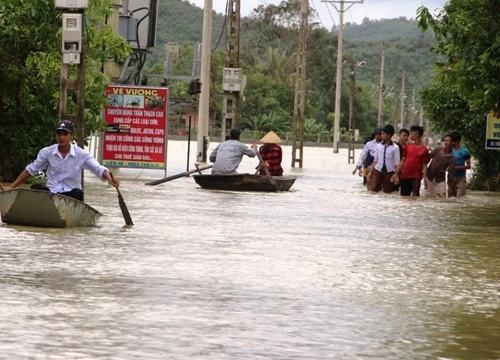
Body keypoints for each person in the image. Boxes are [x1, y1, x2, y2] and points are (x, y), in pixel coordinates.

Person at [2, 120, 118, 201]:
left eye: (65, 134)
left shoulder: (81, 154)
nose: (62, 137)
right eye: (59, 134)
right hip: (51, 193)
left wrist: (110, 179)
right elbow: (31, 170)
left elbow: (99, 169)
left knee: (78, 193)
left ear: (71, 135)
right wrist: (12, 187)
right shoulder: (47, 152)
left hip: (70, 194)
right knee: (35, 187)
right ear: (56, 135)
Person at [393, 125, 430, 197]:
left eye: (412, 134)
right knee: (404, 197)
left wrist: (425, 178)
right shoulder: (408, 147)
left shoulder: (424, 150)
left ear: (417, 135)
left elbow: (425, 165)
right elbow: (403, 161)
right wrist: (396, 173)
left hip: (416, 176)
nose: (410, 136)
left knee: (415, 195)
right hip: (404, 174)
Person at [368, 124, 400, 193]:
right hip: (378, 170)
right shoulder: (378, 146)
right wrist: (370, 172)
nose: (381, 135)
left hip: (389, 172)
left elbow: (397, 163)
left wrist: (396, 175)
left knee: (387, 191)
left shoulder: (395, 148)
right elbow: (375, 160)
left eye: (383, 134)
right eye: (381, 134)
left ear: (389, 136)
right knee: (374, 189)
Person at [425, 133, 456, 198]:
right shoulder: (438, 149)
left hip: (440, 178)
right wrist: (424, 172)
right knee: (428, 197)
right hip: (430, 176)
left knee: (442, 196)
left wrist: (450, 188)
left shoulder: (452, 158)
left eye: (448, 141)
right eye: (445, 141)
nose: (446, 142)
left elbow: (450, 173)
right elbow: (427, 158)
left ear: (453, 143)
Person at [448, 131, 471, 197]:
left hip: (461, 177)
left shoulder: (465, 151)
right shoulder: (448, 150)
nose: (450, 142)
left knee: (462, 197)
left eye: (452, 140)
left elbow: (469, 166)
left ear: (457, 141)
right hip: (451, 177)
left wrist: (457, 168)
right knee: (451, 197)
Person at [393, 128, 409, 192]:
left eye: (407, 136)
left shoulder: (409, 148)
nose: (405, 138)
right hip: (395, 171)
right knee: (394, 190)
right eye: (404, 135)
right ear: (399, 135)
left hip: (405, 172)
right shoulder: (394, 147)